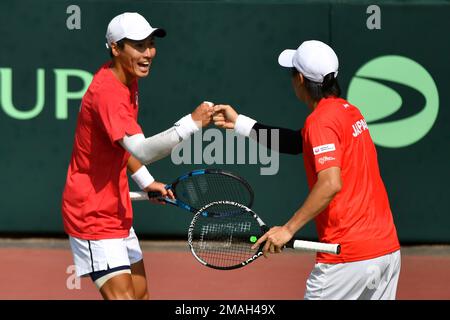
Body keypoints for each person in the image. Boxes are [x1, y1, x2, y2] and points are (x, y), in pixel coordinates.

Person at [213, 40, 401, 300]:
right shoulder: (349, 112)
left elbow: (330, 183)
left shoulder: (320, 121)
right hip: (386, 251)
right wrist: (241, 124)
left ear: (300, 79)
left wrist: (288, 229)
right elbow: (296, 143)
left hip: (347, 257)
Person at [61, 12, 214, 300]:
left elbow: (123, 147)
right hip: (92, 214)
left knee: (141, 295)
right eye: (138, 46)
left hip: (115, 208)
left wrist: (145, 181)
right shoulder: (108, 92)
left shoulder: (126, 79)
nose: (148, 53)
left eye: (150, 44)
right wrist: (191, 123)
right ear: (115, 49)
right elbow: (142, 149)